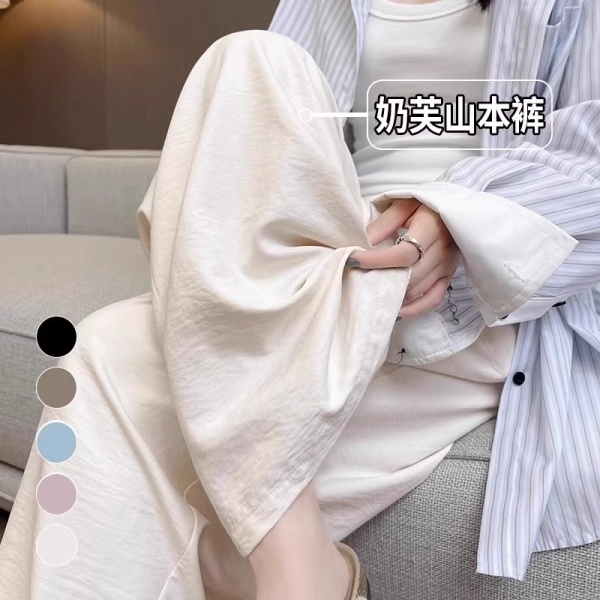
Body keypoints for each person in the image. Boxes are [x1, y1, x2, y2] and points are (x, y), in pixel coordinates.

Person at [1, 0, 599, 599]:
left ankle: (289, 573)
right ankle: (301, 567)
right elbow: (265, 132)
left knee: (112, 362)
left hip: (475, 275)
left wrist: (458, 215)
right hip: (334, 255)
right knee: (247, 58)